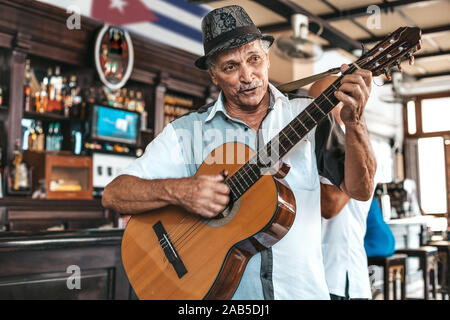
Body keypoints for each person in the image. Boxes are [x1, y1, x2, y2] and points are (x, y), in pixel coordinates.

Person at [102, 5, 376, 300]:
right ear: (214, 75)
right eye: (230, 66)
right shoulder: (185, 132)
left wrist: (355, 122)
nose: (247, 75)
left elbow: (359, 190)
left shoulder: (309, 116)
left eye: (254, 59)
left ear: (267, 58)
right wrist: (181, 190)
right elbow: (114, 194)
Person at [309, 76, 377, 300]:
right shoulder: (312, 147)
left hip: (341, 276)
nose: (314, 111)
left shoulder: (358, 147)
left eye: (321, 103)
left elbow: (330, 206)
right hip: (312, 276)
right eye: (312, 103)